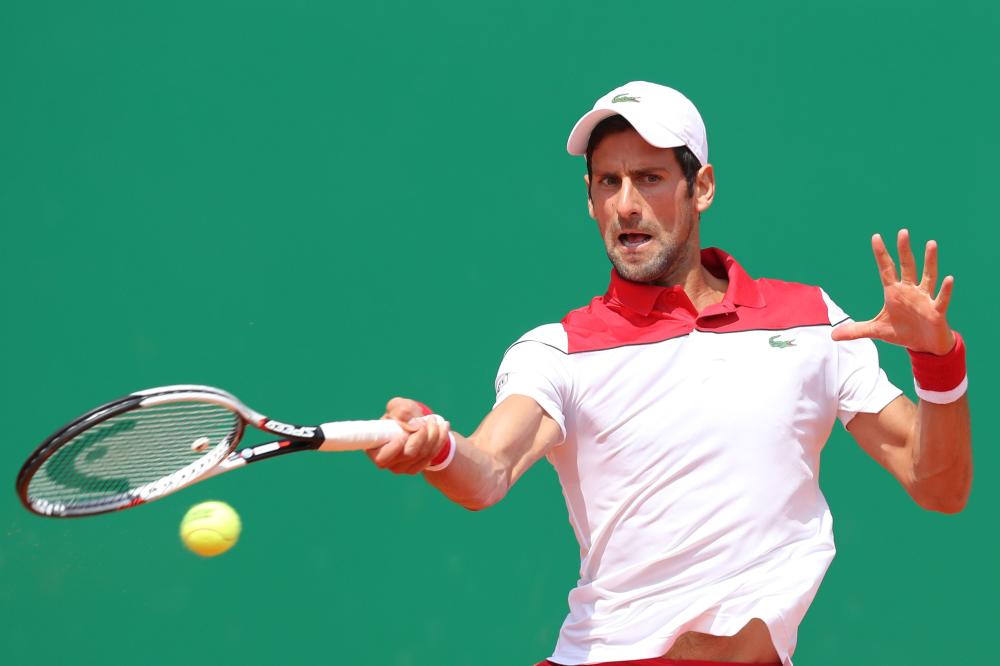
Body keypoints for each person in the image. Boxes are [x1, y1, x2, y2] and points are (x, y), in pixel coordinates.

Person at [365, 81, 973, 666]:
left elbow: (939, 486)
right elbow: (489, 470)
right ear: (590, 197)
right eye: (609, 181)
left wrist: (937, 362)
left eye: (649, 178)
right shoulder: (556, 352)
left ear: (700, 187)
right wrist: (439, 449)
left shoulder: (814, 323)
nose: (625, 203)